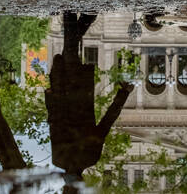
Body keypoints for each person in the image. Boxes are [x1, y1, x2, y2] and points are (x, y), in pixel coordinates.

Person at [46, 12, 133, 187]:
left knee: (69, 50)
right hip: (63, 93)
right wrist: (49, 97)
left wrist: (123, 94)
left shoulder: (90, 158)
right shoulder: (59, 159)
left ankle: (85, 17)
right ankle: (70, 10)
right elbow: (54, 122)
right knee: (69, 50)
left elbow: (106, 123)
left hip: (80, 93)